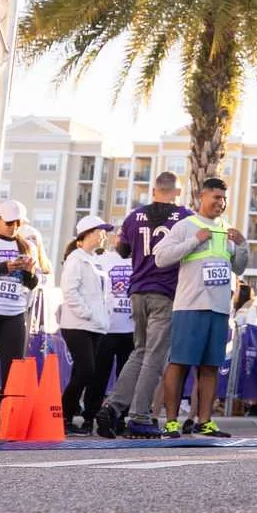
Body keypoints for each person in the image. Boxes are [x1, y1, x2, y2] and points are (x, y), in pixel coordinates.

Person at [96, 172, 192, 438]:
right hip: (165, 291)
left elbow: (122, 251)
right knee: (155, 355)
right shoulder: (185, 217)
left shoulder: (133, 216)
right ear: (177, 192)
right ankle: (139, 415)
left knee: (139, 351)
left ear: (153, 190)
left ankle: (113, 406)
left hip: (138, 290)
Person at [153, 177, 247, 437]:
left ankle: (204, 422)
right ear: (201, 197)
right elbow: (161, 257)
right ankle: (171, 422)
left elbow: (239, 267)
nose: (221, 203)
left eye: (224, 198)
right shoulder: (186, 226)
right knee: (180, 363)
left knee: (210, 366)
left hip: (219, 309)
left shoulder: (227, 229)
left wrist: (242, 245)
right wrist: (194, 240)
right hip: (190, 306)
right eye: (216, 197)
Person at [57, 215, 114, 435]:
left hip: (95, 326)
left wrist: (103, 316)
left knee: (83, 372)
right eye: (100, 231)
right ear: (88, 233)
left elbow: (103, 294)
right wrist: (88, 314)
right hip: (77, 325)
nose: (104, 235)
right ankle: (63, 415)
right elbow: (70, 292)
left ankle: (67, 418)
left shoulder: (95, 260)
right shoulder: (75, 260)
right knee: (86, 371)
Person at [0, 199, 40, 372]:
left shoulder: (28, 246)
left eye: (18, 223)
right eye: (9, 222)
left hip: (14, 313)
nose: (14, 227)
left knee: (14, 368)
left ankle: (9, 393)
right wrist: (1, 268)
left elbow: (32, 284)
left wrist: (28, 272)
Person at [91, 235, 136, 421]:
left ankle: (120, 417)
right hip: (107, 328)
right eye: (121, 236)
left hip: (132, 329)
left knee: (126, 378)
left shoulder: (140, 260)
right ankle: (90, 415)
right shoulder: (104, 259)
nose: (124, 241)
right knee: (99, 375)